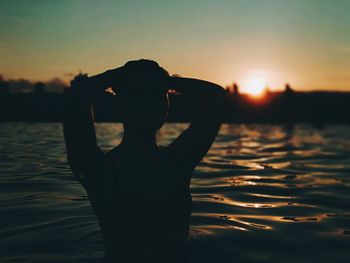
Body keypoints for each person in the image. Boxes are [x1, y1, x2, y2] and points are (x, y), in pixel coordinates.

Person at [63, 59, 226, 262]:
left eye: (158, 95)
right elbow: (74, 97)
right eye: (139, 94)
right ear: (120, 103)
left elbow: (217, 98)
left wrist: (167, 82)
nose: (150, 103)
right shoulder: (98, 170)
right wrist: (118, 75)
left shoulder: (178, 161)